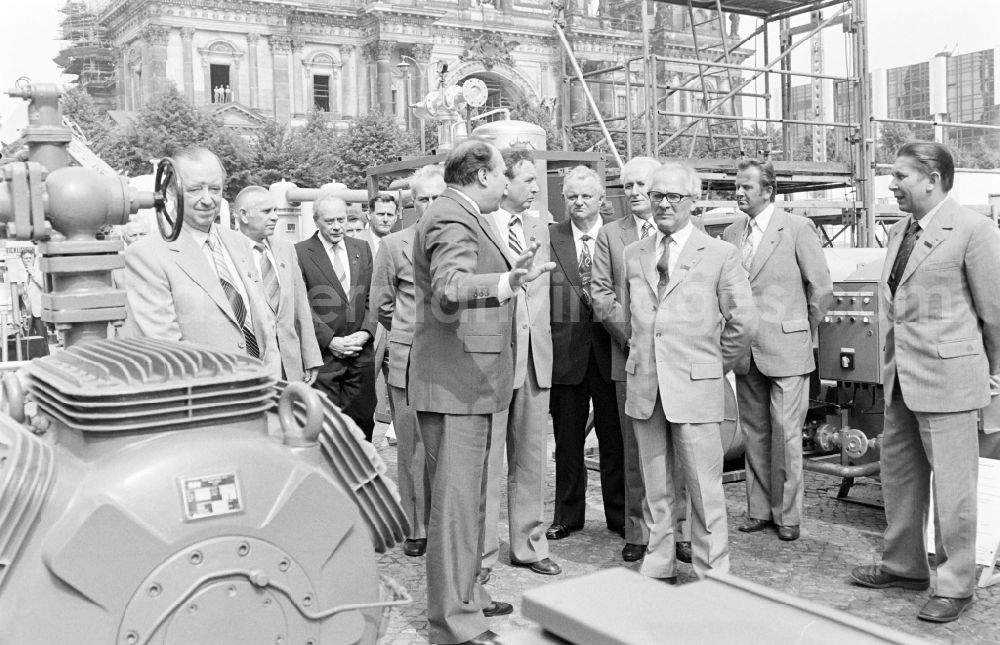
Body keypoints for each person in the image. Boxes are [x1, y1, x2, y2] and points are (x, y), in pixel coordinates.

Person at [409, 139, 553, 645]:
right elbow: (451, 285)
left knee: (471, 504)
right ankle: (454, 624)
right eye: (502, 173)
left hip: (470, 384)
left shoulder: (460, 213)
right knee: (455, 509)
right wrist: (506, 283)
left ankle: (470, 595)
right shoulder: (452, 217)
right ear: (484, 176)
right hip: (456, 387)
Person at [850, 142, 1000, 623]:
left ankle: (955, 584)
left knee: (954, 489)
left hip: (951, 380)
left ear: (933, 178)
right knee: (900, 477)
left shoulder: (975, 230)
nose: (891, 185)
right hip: (900, 379)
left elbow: (994, 314)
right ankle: (904, 565)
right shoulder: (898, 231)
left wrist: (994, 375)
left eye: (900, 176)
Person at [624, 162, 756, 582]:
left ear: (692, 201)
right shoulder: (635, 254)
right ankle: (659, 562)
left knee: (704, 488)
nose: (663, 204)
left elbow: (744, 322)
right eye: (657, 195)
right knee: (656, 487)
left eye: (673, 197)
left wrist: (713, 365)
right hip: (646, 385)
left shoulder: (719, 254)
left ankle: (711, 570)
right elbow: (638, 320)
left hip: (696, 387)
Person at [722, 159, 832, 542]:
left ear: (768, 191)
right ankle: (759, 510)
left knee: (786, 435)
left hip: (787, 348)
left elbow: (820, 289)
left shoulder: (797, 228)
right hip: (745, 350)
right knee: (754, 432)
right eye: (736, 186)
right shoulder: (732, 233)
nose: (739, 192)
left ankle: (788, 516)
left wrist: (804, 331)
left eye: (747, 187)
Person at [592, 156, 690, 565]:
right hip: (630, 358)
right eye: (626, 186)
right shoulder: (612, 236)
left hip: (680, 360)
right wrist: (634, 338)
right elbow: (601, 294)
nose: (632, 193)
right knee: (637, 453)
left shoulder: (690, 236)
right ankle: (639, 530)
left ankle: (682, 531)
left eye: (639, 185)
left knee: (682, 450)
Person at [123, 147, 280, 375]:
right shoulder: (146, 256)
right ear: (170, 192)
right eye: (195, 190)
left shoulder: (239, 242)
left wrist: (270, 382)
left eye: (215, 189)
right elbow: (165, 349)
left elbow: (264, 324)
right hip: (205, 400)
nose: (208, 200)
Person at [480, 149, 560, 584]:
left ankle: (529, 546)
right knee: (489, 463)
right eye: (527, 179)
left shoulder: (537, 227)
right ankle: (483, 554)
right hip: (492, 361)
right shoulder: (479, 225)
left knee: (531, 459)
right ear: (502, 181)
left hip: (534, 357)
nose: (534, 188)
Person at [546, 165, 625, 543]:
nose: (579, 203)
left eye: (586, 196)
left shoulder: (616, 238)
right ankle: (567, 515)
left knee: (614, 438)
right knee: (567, 441)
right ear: (564, 200)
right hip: (565, 354)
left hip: (610, 352)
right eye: (572, 196)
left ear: (600, 201)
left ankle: (620, 513)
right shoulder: (551, 238)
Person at [370, 163, 445, 559]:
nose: (431, 205)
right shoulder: (394, 245)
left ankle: (444, 522)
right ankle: (415, 526)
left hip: (451, 362)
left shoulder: (461, 241)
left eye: (437, 197)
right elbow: (382, 304)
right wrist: (407, 333)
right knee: (412, 448)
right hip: (410, 360)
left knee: (447, 449)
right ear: (412, 204)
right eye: (423, 199)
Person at [296, 194, 378, 441]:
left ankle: (363, 474)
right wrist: (330, 340)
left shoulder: (361, 249)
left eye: (341, 219)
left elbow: (373, 297)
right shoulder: (299, 253)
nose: (336, 226)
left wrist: (365, 333)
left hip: (360, 357)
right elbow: (301, 306)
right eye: (329, 220)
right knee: (327, 428)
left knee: (362, 424)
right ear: (316, 221)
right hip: (324, 359)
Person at [235, 186, 321, 383]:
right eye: (266, 211)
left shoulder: (286, 250)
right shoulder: (227, 254)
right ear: (243, 216)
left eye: (275, 210)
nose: (275, 217)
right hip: (251, 364)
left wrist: (311, 358)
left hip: (289, 365)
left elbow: (301, 308)